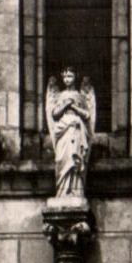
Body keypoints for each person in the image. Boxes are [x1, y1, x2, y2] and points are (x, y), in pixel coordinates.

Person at [45, 68, 96, 198]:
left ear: (75, 77)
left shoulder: (80, 96)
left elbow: (87, 114)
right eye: (65, 76)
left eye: (70, 76)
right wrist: (64, 105)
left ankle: (76, 191)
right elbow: (54, 114)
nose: (67, 79)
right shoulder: (60, 96)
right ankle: (62, 191)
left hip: (77, 128)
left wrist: (73, 107)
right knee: (62, 158)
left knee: (76, 159)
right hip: (63, 130)